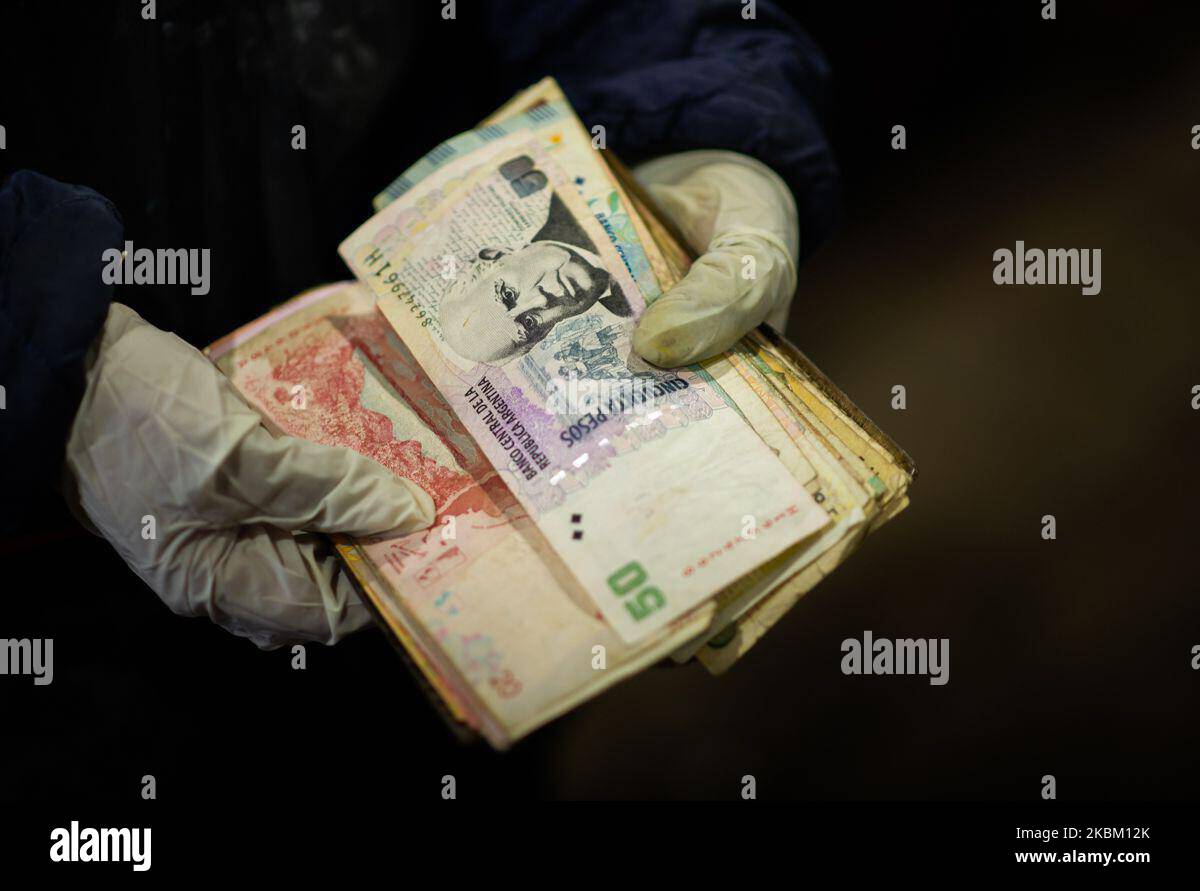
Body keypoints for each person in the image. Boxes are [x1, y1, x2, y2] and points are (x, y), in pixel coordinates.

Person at [0, 0, 838, 648]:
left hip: (452, 625)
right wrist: (42, 349)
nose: (544, 306)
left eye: (526, 311)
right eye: (529, 310)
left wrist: (706, 128)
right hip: (51, 612)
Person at [441, 191, 632, 365]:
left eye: (508, 294)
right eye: (529, 324)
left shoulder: (573, 194)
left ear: (497, 254)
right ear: (545, 333)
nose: (541, 300)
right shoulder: (633, 310)